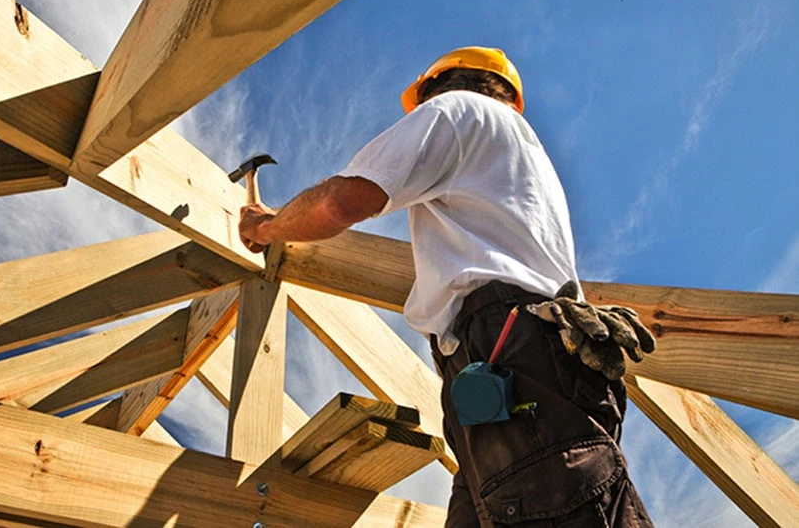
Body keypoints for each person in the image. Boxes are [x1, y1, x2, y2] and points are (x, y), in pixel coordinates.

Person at [239, 46, 653, 527]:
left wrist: (266, 226)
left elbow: (341, 201)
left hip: (510, 356)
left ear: (440, 85)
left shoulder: (458, 111)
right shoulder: (520, 156)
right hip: (517, 371)